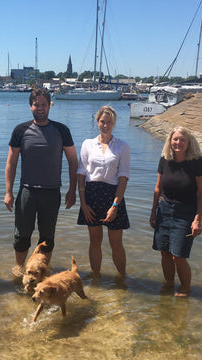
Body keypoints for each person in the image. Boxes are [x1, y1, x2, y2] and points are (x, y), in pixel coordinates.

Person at [4, 88, 78, 277]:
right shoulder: (20, 130)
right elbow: (11, 162)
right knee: (21, 237)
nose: (40, 108)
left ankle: (42, 272)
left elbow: (72, 161)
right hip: (27, 191)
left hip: (52, 192)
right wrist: (8, 192)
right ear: (31, 106)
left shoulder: (62, 130)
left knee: (47, 238)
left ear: (49, 106)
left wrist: (72, 190)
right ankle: (20, 271)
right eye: (36, 104)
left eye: (44, 104)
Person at [149, 126, 202, 297]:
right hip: (164, 209)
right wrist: (153, 212)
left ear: (189, 142)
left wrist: (198, 219)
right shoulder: (165, 159)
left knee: (179, 256)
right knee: (165, 253)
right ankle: (168, 284)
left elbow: (201, 193)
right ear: (170, 141)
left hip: (186, 212)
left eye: (182, 139)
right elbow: (158, 188)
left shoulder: (197, 162)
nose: (178, 143)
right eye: (175, 139)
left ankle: (185, 287)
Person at [77, 106, 130, 279]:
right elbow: (81, 174)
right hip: (91, 194)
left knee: (116, 243)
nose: (105, 125)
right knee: (94, 241)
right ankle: (96, 277)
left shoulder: (122, 146)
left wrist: (115, 205)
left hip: (112, 195)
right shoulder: (87, 144)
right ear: (97, 121)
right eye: (102, 121)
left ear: (113, 124)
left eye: (109, 122)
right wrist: (83, 204)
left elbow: (123, 178)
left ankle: (122, 278)